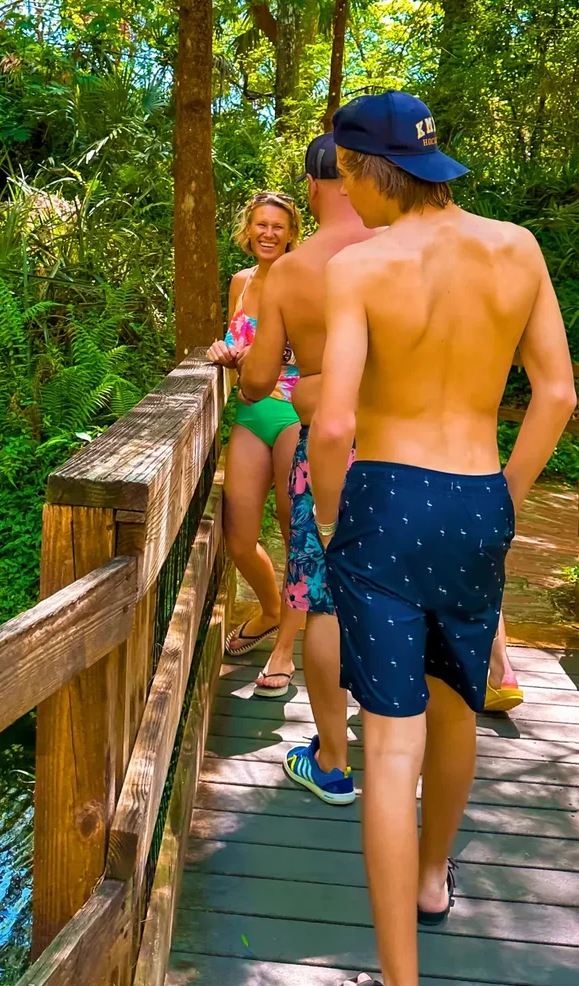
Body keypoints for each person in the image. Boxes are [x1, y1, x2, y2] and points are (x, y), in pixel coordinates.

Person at [310, 90, 573, 986]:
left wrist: (332, 516)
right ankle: (432, 878)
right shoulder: (518, 247)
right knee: (457, 702)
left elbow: (336, 422)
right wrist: (506, 498)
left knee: (390, 743)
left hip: (385, 498)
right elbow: (558, 394)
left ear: (360, 172)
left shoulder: (362, 268)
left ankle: (399, 976)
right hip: (475, 498)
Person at [241, 135, 379, 805]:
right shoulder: (401, 250)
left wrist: (299, 383)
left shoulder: (291, 272)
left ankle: (331, 758)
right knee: (393, 598)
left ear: (312, 185)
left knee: (322, 603)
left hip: (327, 451)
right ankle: (387, 738)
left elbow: (260, 378)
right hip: (403, 449)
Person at [207, 191, 306, 692]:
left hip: (293, 412)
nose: (269, 233)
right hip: (250, 411)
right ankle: (270, 610)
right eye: (261, 225)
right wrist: (223, 350)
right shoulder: (240, 283)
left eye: (278, 226)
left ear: (292, 232)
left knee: (297, 538)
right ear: (248, 230)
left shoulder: (306, 279)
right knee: (239, 537)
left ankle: (286, 650)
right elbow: (236, 343)